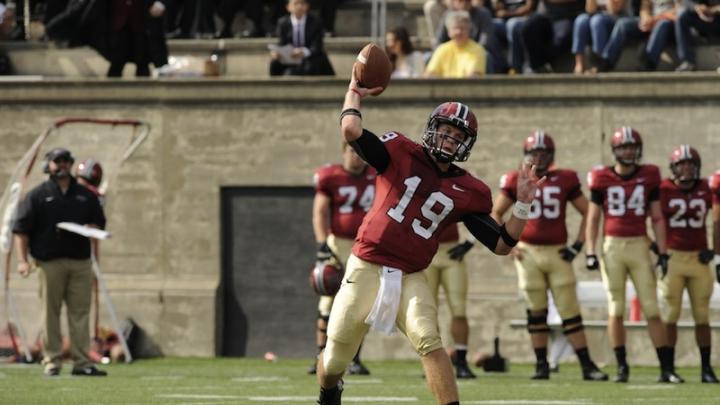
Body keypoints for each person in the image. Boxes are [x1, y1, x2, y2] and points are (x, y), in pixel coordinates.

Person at [316, 67, 544, 404]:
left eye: (458, 136)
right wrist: (354, 91)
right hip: (366, 264)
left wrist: (522, 205)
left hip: (411, 274)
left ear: (466, 145)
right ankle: (329, 391)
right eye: (446, 131)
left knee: (429, 340)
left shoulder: (470, 190)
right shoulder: (399, 150)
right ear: (431, 130)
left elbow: (501, 244)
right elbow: (351, 129)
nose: (449, 140)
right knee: (336, 354)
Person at [491, 130, 608, 381]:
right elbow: (495, 212)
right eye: (535, 152)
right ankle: (541, 365)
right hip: (528, 253)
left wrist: (578, 246)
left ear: (551, 155)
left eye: (544, 153)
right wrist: (510, 245)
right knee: (536, 311)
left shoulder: (564, 179)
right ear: (527, 154)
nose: (540, 157)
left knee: (570, 310)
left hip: (557, 252)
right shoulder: (516, 179)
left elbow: (589, 212)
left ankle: (587, 366)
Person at [585, 127, 683, 384]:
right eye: (624, 147)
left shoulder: (649, 175)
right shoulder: (601, 177)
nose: (628, 151)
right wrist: (589, 250)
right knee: (616, 308)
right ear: (615, 150)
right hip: (612, 247)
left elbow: (657, 217)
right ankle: (622, 367)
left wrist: (662, 252)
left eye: (632, 146)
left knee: (651, 307)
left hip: (640, 244)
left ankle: (665, 368)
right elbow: (594, 218)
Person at [12, 148, 107, 377]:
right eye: (57, 161)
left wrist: (92, 230)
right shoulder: (37, 195)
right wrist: (22, 261)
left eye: (66, 161)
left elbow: (99, 224)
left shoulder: (85, 195)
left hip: (80, 262)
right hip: (49, 263)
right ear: (48, 165)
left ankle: (82, 363)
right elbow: (21, 231)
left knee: (80, 313)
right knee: (49, 313)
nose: (62, 165)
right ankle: (52, 360)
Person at [309, 142, 377, 376]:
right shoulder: (331, 176)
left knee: (362, 303)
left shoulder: (377, 175)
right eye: (352, 151)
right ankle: (320, 356)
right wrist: (321, 244)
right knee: (327, 299)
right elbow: (320, 212)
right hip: (337, 242)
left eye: (360, 152)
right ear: (343, 152)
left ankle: (355, 359)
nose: (356, 157)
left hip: (365, 245)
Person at [658, 145, 718, 383]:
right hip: (673, 258)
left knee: (702, 316)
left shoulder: (707, 187)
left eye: (691, 164)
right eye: (682, 164)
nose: (687, 168)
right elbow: (650, 218)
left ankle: (706, 368)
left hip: (698, 258)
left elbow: (718, 219)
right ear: (673, 167)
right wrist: (658, 248)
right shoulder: (662, 189)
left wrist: (714, 251)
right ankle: (668, 368)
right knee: (670, 314)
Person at [424, 224, 478, 379]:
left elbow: (481, 212)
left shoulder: (455, 197)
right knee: (427, 312)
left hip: (451, 252)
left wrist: (470, 242)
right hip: (425, 251)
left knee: (459, 309)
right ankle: (431, 362)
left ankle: (461, 362)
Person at [597, 0, 679, 72]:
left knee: (662, 24)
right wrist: (645, 18)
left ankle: (649, 62)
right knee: (622, 24)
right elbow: (645, 7)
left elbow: (678, 10)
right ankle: (607, 61)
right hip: (652, 21)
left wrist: (656, 19)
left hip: (669, 22)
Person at [269, 0, 334, 76]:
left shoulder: (316, 22)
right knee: (274, 63)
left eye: (302, 3)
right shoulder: (283, 23)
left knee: (316, 62)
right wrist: (278, 53)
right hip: (290, 58)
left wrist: (303, 52)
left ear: (307, 6)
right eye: (296, 3)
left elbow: (317, 46)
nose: (299, 6)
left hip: (310, 57)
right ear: (288, 7)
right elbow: (282, 43)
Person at [107, 0, 169, 77]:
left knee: (142, 61)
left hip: (144, 19)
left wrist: (162, 3)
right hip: (119, 20)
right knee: (117, 62)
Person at [520, 0, 585, 73]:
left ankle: (543, 65)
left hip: (568, 15)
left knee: (560, 41)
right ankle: (536, 67)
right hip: (544, 15)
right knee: (528, 28)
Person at [571, 0, 632, 73]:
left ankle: (599, 63)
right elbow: (590, 10)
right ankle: (579, 63)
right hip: (598, 16)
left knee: (597, 21)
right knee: (580, 20)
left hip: (618, 17)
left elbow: (613, 10)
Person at [424, 10, 487, 78]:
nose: (458, 32)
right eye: (455, 28)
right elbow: (430, 74)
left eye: (462, 28)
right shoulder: (442, 49)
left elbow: (474, 77)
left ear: (469, 30)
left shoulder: (477, 50)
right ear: (449, 31)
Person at [674, 0, 720, 71]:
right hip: (702, 19)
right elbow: (686, 2)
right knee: (682, 17)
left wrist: (713, 10)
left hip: (717, 19)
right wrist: (696, 7)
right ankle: (688, 61)